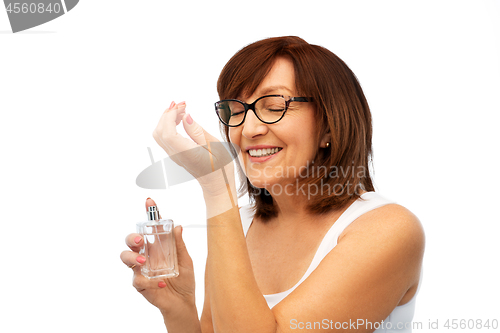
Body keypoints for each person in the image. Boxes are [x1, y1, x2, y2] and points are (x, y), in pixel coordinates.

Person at [120, 36, 425, 333]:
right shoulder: (240, 224)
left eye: (274, 105)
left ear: (328, 125)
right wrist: (179, 308)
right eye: (237, 111)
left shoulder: (390, 229)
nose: (249, 129)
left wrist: (217, 188)